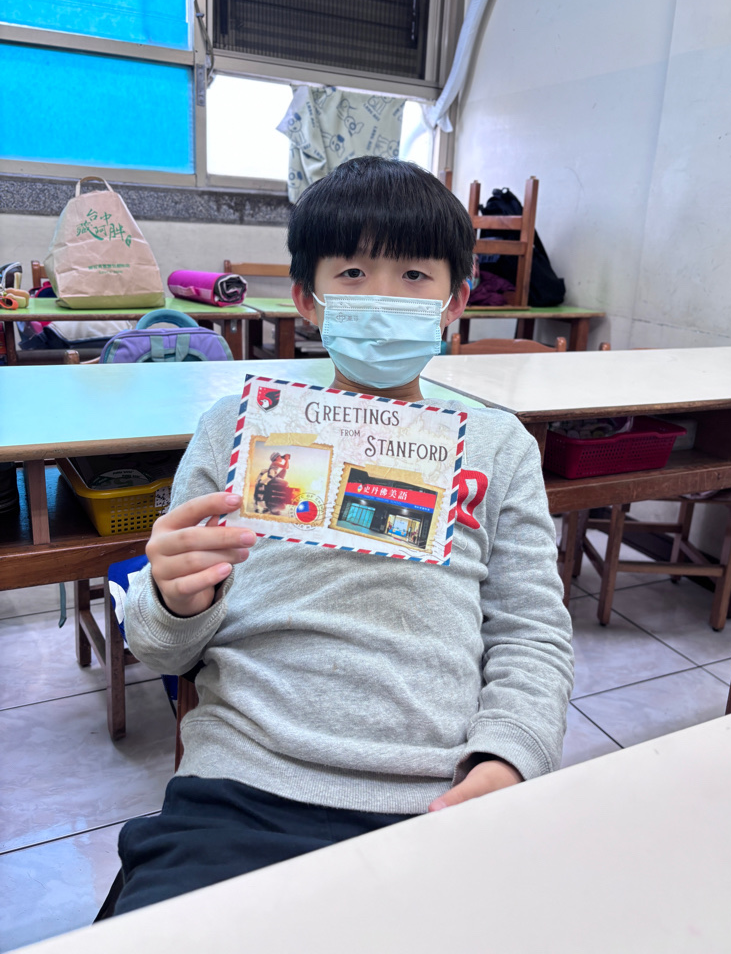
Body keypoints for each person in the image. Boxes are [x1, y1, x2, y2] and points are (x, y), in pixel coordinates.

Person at [112, 156, 574, 915]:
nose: (384, 298)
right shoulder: (238, 430)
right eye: (353, 274)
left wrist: (510, 758)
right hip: (241, 790)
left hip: (440, 792)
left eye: (415, 276)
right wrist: (172, 599)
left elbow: (532, 630)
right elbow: (163, 651)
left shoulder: (499, 446)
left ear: (455, 301)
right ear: (308, 299)